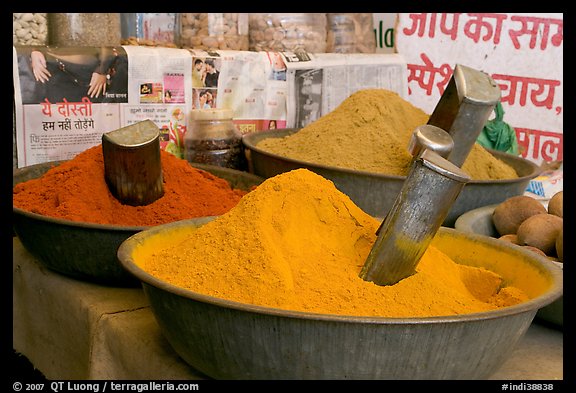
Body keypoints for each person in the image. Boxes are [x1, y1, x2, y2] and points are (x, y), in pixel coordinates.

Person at [28, 46, 121, 103]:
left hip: (92, 76)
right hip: (51, 69)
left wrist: (102, 69)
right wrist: (34, 51)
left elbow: (108, 38)